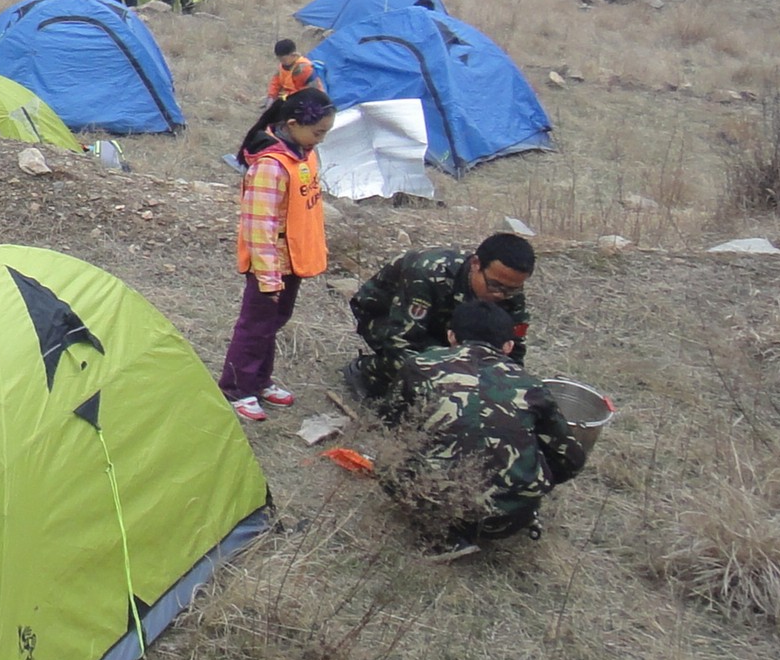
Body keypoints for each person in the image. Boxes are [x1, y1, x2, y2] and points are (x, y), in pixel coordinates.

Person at [382, 298, 587, 553]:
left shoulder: (421, 366)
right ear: (509, 346)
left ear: (451, 336)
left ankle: (446, 537)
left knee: (389, 459)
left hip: (435, 504)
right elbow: (572, 458)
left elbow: (390, 422)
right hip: (509, 520)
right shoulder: (531, 386)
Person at [220, 85, 335, 422]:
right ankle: (237, 388)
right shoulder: (270, 166)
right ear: (294, 123)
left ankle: (260, 379)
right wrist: (268, 278)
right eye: (317, 131)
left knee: (274, 323)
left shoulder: (303, 153)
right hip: (270, 268)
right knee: (255, 326)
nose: (321, 139)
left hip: (292, 262)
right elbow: (260, 227)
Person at [348, 234, 537, 407]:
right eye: (494, 285)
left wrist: (513, 389)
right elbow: (399, 344)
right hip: (384, 315)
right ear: (476, 264)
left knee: (477, 360)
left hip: (443, 323)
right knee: (436, 368)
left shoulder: (510, 292)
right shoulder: (427, 272)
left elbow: (513, 346)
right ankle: (367, 370)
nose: (500, 295)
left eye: (511, 289)